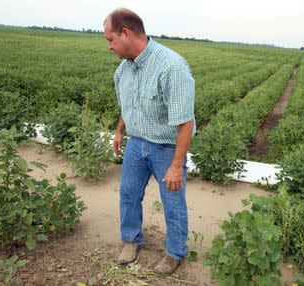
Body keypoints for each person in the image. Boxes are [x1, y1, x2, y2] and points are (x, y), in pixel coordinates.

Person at [103, 8, 195, 275]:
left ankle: (175, 252)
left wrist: (176, 165)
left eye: (110, 39)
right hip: (136, 143)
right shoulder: (124, 70)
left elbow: (185, 121)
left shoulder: (171, 66)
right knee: (128, 194)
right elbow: (128, 107)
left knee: (173, 201)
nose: (109, 46)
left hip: (166, 148)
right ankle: (131, 240)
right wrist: (120, 131)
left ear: (126, 33)